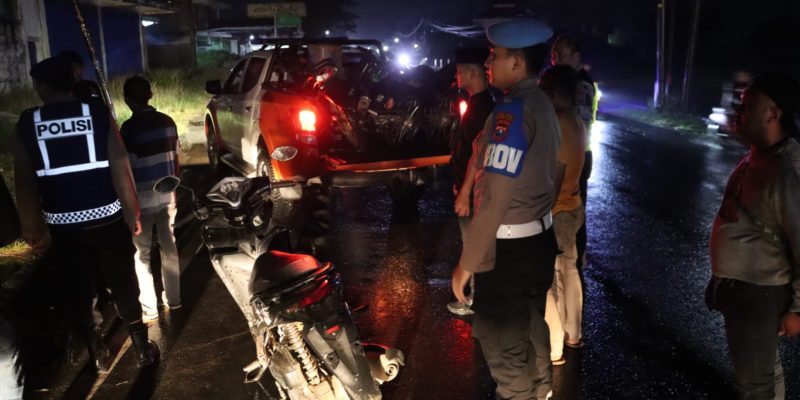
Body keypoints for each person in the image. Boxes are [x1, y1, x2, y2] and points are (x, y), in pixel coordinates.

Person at [12, 56, 159, 370]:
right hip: (107, 219)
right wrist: (132, 212)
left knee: (79, 286)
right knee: (122, 280)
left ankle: (97, 352)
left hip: (63, 227)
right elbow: (120, 167)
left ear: (42, 86)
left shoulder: (28, 122)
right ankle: (141, 347)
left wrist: (31, 227)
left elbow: (25, 182)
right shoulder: (96, 113)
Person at [451, 19, 562, 400]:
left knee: (501, 339)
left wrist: (467, 263)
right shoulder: (542, 102)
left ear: (517, 63)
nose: (488, 62)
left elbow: (495, 194)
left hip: (510, 252)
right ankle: (541, 389)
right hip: (539, 240)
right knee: (531, 324)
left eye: (495, 56)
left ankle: (521, 395)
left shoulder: (511, 113)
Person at [706, 71, 800, 399]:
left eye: (749, 106)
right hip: (744, 290)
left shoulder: (787, 171)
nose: (739, 112)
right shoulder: (759, 156)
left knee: (754, 385)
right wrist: (719, 280)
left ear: (773, 114)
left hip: (760, 294)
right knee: (764, 372)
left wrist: (797, 309)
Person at [120, 76, 181, 322]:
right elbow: (177, 161)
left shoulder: (128, 129)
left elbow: (127, 169)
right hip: (168, 197)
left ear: (126, 99)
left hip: (141, 201)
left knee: (142, 254)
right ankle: (174, 300)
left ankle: (150, 308)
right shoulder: (168, 122)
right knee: (169, 249)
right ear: (151, 95)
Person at [539, 65, 588, 365]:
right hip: (573, 207)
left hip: (556, 212)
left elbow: (554, 177)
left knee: (548, 280)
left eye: (544, 91)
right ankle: (573, 334)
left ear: (555, 93)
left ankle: (554, 348)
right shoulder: (578, 121)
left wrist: (539, 213)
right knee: (569, 271)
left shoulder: (558, 123)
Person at [448, 46, 496, 316]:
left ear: (472, 73)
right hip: (471, 189)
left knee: (475, 243)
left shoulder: (482, 108)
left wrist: (465, 191)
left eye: (458, 72)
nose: (456, 76)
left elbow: (478, 155)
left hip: (476, 191)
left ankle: (477, 300)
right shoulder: (478, 104)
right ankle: (477, 296)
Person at [551, 36, 597, 281]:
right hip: (571, 151)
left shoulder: (580, 86)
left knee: (571, 207)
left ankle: (575, 259)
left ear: (576, 56)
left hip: (577, 153)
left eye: (561, 55)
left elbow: (577, 122)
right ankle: (572, 258)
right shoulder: (567, 82)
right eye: (554, 56)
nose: (556, 60)